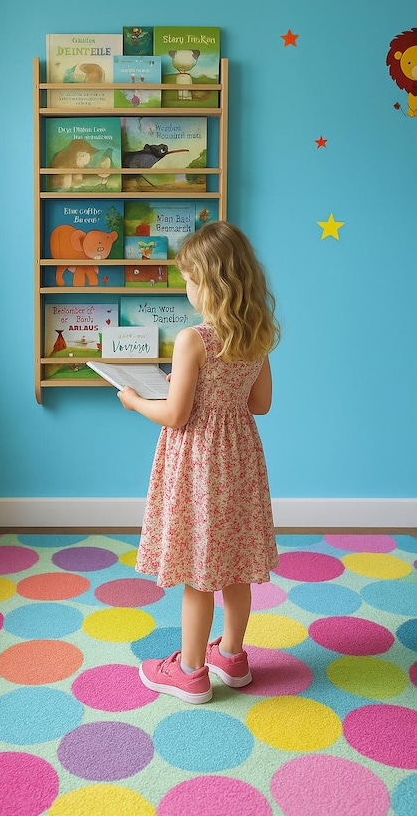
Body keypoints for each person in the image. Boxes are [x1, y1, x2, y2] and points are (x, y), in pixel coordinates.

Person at [117, 220, 280, 704]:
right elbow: (260, 404)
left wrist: (134, 401)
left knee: (198, 571)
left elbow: (175, 413)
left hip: (199, 462)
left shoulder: (194, 339)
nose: (185, 287)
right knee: (234, 567)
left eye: (188, 278)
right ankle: (232, 655)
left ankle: (189, 672)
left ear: (208, 282)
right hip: (240, 459)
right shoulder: (257, 334)